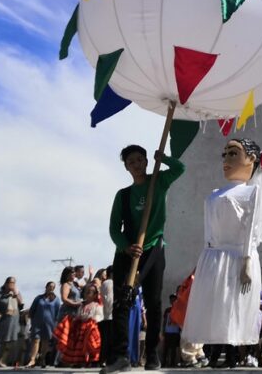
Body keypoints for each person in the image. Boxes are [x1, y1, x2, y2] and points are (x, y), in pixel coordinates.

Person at [183, 138, 262, 362]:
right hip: (213, 256)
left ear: (250, 159)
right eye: (225, 154)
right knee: (213, 304)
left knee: (232, 305)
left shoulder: (251, 193)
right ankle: (211, 351)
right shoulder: (214, 193)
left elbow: (251, 230)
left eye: (233, 154)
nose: (226, 160)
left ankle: (231, 352)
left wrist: (247, 261)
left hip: (236, 255)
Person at [102, 143, 185, 374]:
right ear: (126, 168)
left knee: (153, 302)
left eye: (140, 160)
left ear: (147, 161)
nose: (137, 165)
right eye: (131, 162)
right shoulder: (123, 195)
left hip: (153, 250)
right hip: (127, 252)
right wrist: (126, 247)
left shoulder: (158, 183)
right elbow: (113, 229)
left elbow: (181, 169)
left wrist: (164, 158)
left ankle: (151, 356)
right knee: (121, 303)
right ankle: (121, 357)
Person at [54, 282, 103, 367]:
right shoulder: (82, 305)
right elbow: (79, 315)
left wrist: (93, 321)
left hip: (90, 329)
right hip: (81, 328)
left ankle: (88, 361)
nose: (87, 293)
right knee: (78, 346)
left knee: (88, 345)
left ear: (95, 295)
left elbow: (98, 316)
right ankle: (78, 361)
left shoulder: (96, 305)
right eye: (86, 291)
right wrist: (76, 320)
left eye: (90, 292)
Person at [26, 282, 61, 367]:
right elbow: (31, 311)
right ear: (46, 287)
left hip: (49, 324)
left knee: (45, 342)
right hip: (37, 322)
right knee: (35, 340)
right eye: (49, 286)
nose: (51, 288)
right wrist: (31, 321)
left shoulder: (56, 300)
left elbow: (58, 313)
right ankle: (32, 360)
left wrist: (56, 324)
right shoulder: (38, 298)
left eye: (53, 287)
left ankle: (42, 359)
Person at [0, 276, 24, 367]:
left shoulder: (16, 293)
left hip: (14, 320)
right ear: (6, 283)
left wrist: (16, 294)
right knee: (4, 341)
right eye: (10, 283)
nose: (12, 285)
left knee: (11, 342)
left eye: (14, 283)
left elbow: (21, 303)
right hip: (4, 321)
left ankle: (3, 360)